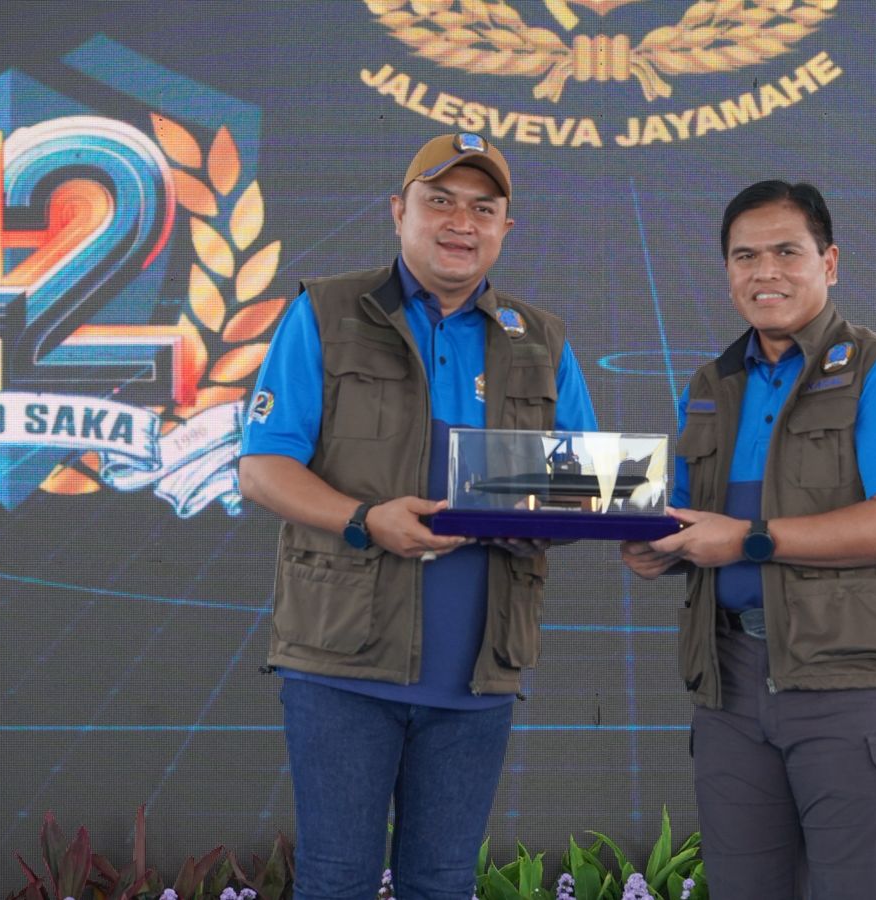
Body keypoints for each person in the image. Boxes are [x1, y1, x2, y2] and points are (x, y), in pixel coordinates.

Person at [239, 132, 597, 900]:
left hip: (477, 673)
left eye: (483, 208)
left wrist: (588, 513)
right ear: (398, 211)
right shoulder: (325, 312)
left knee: (443, 881)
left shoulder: (540, 342)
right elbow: (263, 468)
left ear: (507, 229)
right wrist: (367, 518)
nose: (460, 222)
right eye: (440, 201)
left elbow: (583, 492)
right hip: (342, 665)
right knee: (337, 879)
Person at [621, 180, 876, 899]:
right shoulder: (710, 384)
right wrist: (656, 549)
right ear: (728, 272)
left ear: (830, 262)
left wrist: (747, 541)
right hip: (729, 684)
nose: (765, 272)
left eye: (786, 252)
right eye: (745, 256)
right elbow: (692, 519)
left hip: (852, 685)